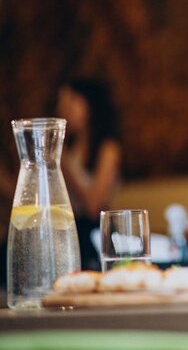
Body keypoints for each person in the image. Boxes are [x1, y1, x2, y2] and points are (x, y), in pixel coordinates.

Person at [56, 78, 123, 271]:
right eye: (61, 102)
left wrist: (64, 162)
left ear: (89, 105)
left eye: (70, 102)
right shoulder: (70, 147)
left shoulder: (107, 148)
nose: (63, 109)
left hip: (94, 233)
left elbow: (94, 206)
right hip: (66, 228)